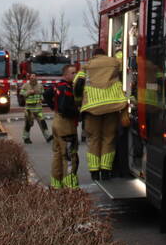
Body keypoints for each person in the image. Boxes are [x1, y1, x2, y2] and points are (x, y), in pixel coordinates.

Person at [81, 47, 125, 180]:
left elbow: (77, 84)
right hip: (112, 107)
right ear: (104, 54)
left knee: (94, 139)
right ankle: (105, 170)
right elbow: (123, 59)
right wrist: (119, 49)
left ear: (94, 56)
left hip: (92, 108)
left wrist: (79, 104)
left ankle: (94, 172)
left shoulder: (86, 66)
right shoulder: (114, 62)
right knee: (108, 138)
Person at [50, 64, 80, 188]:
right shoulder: (67, 88)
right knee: (69, 156)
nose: (75, 75)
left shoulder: (58, 86)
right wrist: (78, 113)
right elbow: (65, 108)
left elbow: (47, 94)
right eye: (72, 73)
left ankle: (56, 184)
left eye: (75, 73)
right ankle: (70, 186)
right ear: (65, 75)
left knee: (58, 154)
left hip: (56, 123)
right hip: (66, 126)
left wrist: (54, 108)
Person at [19, 73, 51, 144]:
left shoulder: (40, 86)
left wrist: (42, 99)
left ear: (36, 78)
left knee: (43, 123)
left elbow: (42, 94)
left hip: (38, 108)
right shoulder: (25, 86)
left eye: (34, 77)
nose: (33, 78)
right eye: (31, 77)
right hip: (29, 109)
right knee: (28, 124)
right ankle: (26, 137)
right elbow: (21, 93)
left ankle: (48, 137)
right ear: (29, 78)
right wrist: (28, 92)